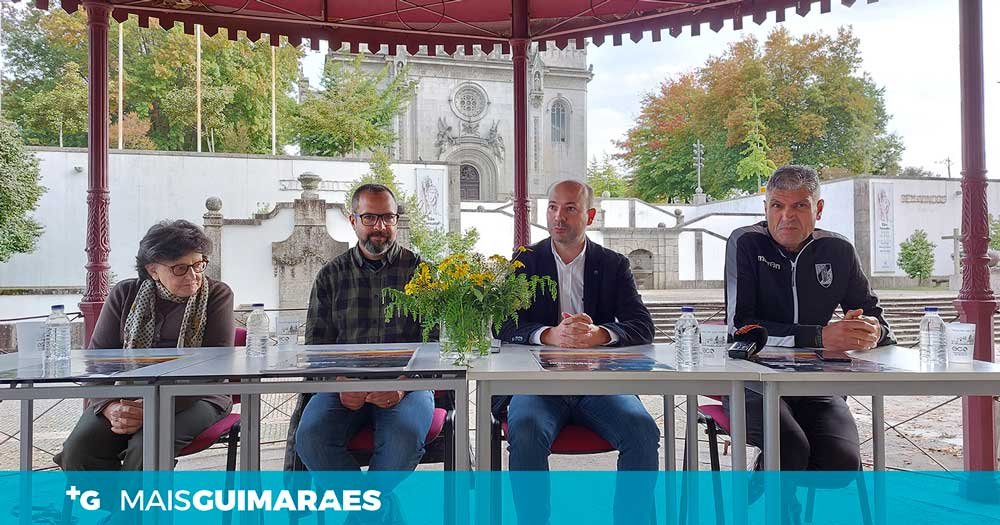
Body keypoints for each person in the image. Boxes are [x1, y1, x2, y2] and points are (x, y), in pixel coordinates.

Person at [495, 180, 660, 525]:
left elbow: (643, 325)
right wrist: (548, 335)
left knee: (642, 431)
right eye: (553, 207)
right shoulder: (525, 261)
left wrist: (600, 334)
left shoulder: (613, 264)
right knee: (525, 429)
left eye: (570, 208)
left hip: (600, 385)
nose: (559, 216)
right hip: (538, 385)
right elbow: (503, 325)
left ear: (590, 216)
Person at [724, 164, 896, 473]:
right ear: (765, 208)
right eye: (777, 205)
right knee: (789, 447)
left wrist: (871, 331)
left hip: (816, 383)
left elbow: (878, 321)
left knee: (842, 463)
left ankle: (770, 479)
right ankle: (774, 495)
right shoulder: (746, 241)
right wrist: (818, 337)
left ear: (818, 209)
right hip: (750, 381)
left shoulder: (838, 249)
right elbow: (741, 326)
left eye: (800, 206)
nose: (787, 216)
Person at [286, 184, 434, 521]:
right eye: (370, 218)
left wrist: (403, 385)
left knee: (404, 439)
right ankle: (378, 509)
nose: (379, 227)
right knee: (311, 438)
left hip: (407, 385)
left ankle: (362, 514)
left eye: (387, 218)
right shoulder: (330, 275)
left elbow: (437, 344)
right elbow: (316, 347)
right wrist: (339, 381)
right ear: (353, 220)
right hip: (343, 385)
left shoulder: (422, 273)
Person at [55, 219, 234, 470]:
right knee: (79, 449)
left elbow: (215, 367)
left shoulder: (217, 294)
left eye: (198, 265)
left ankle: (138, 498)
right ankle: (114, 498)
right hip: (126, 394)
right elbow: (97, 361)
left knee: (147, 446)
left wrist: (153, 407)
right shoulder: (125, 294)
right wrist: (108, 406)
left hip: (199, 395)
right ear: (152, 270)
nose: (193, 276)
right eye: (180, 268)